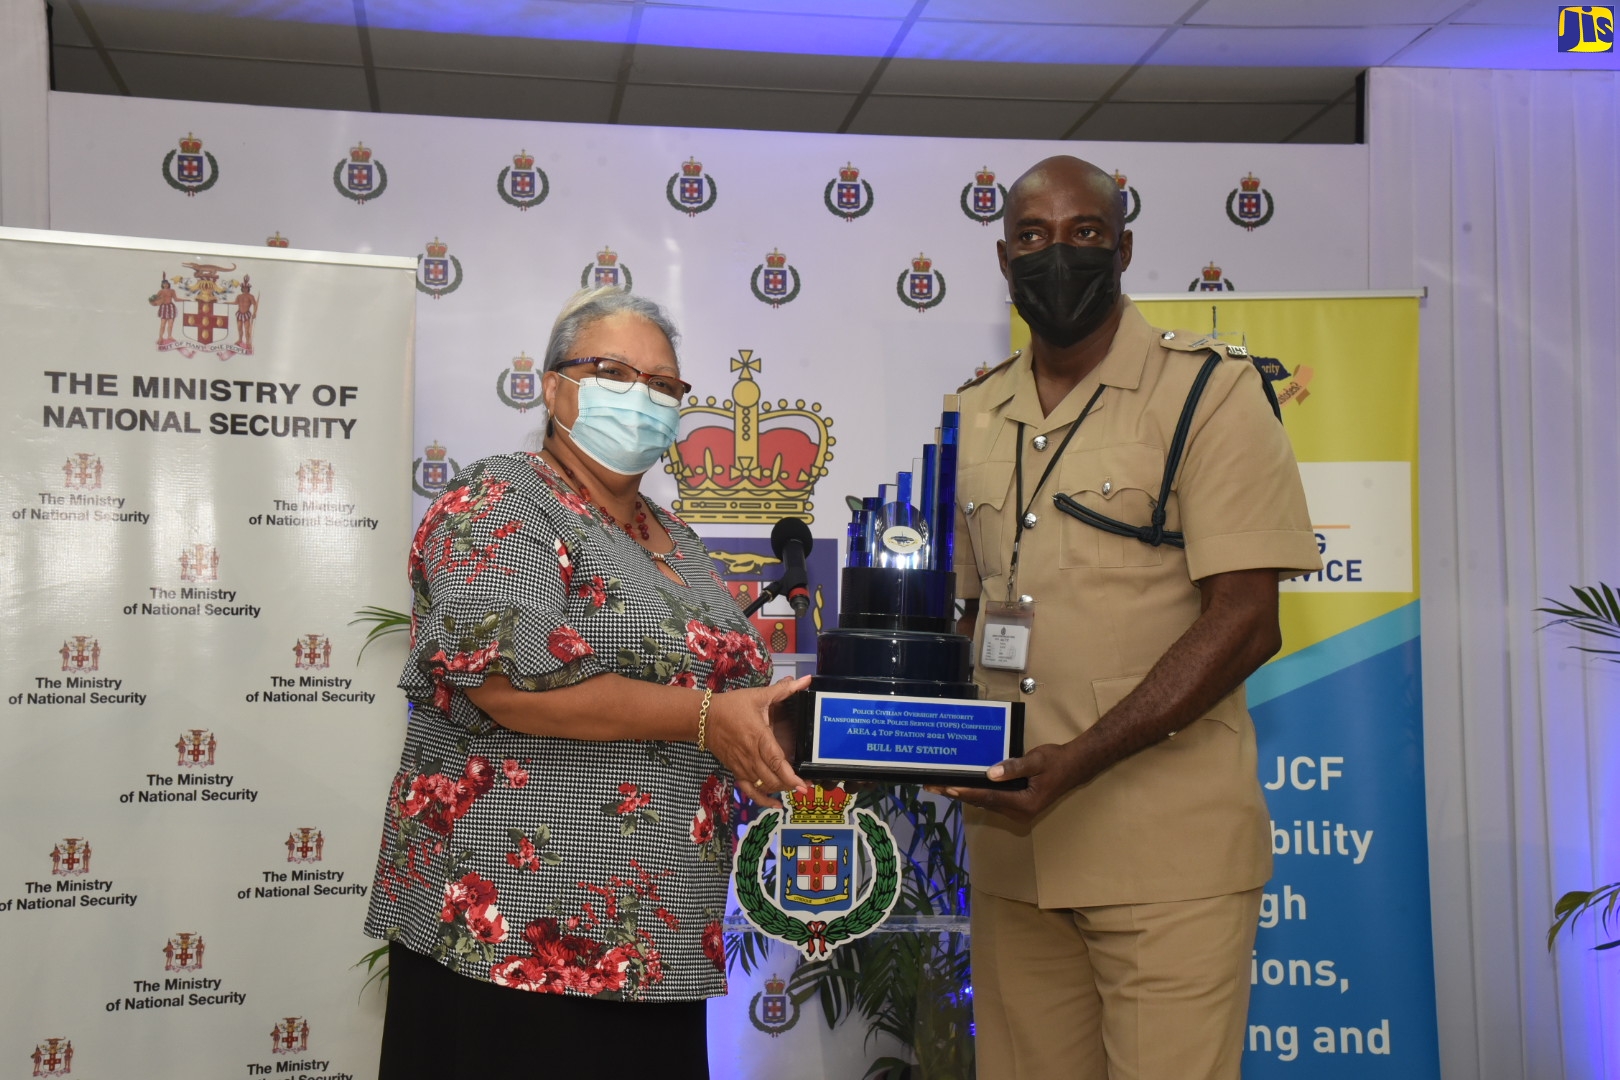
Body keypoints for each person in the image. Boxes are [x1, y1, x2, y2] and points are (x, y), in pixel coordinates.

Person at [937, 156, 1322, 1080]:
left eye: (1083, 234)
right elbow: (960, 615)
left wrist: (1078, 760)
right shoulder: (973, 413)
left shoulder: (1209, 392)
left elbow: (1246, 621)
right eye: (1032, 237)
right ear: (1002, 256)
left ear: (1125, 247)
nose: (1056, 255)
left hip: (1162, 852)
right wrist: (914, 729)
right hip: (1016, 849)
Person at [364, 286, 807, 1080]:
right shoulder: (503, 501)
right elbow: (500, 681)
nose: (643, 397)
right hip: (520, 941)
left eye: (665, 385)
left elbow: (718, 695)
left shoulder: (673, 537)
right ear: (553, 385)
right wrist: (710, 720)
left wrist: (781, 735)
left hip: (658, 939)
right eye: (612, 371)